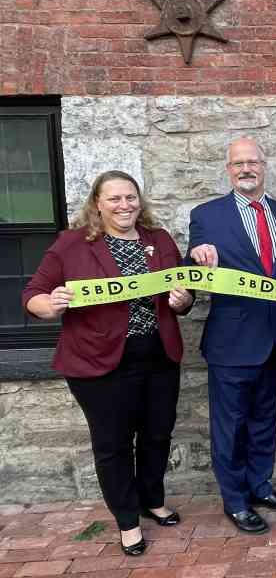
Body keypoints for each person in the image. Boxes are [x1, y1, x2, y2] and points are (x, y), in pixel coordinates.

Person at [23, 171, 193, 556]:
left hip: (158, 355)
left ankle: (152, 499)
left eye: (130, 197)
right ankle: (127, 520)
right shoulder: (72, 245)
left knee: (157, 434)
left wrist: (183, 301)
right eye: (114, 199)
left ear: (139, 200)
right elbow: (33, 293)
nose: (124, 205)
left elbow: (183, 293)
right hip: (98, 362)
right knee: (114, 444)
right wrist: (50, 306)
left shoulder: (159, 239)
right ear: (97, 204)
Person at [188, 137, 276, 535]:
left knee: (263, 422)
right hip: (232, 341)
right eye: (238, 163)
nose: (246, 169)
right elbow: (195, 257)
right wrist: (199, 254)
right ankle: (236, 501)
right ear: (228, 169)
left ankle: (260, 486)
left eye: (253, 162)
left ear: (264, 166)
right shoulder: (207, 215)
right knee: (231, 426)